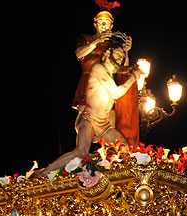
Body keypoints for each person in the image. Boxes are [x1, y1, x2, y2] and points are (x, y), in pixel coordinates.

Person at [35, 40, 141, 177]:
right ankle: (44, 173)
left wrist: (130, 65)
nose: (120, 58)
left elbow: (122, 70)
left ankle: (105, 174)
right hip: (89, 119)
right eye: (118, 54)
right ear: (107, 54)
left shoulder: (109, 75)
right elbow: (116, 93)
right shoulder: (98, 68)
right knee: (81, 152)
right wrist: (134, 77)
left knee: (123, 148)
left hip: (104, 125)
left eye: (122, 56)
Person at [72, 4, 139, 147]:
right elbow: (79, 53)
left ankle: (107, 160)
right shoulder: (86, 38)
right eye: (102, 23)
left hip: (107, 84)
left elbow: (122, 68)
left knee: (110, 122)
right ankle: (79, 158)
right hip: (89, 85)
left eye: (108, 24)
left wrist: (126, 51)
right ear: (95, 24)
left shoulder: (114, 45)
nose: (105, 26)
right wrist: (97, 42)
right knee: (85, 123)